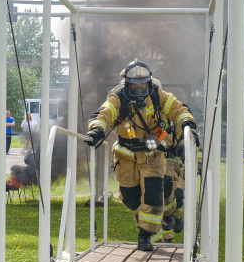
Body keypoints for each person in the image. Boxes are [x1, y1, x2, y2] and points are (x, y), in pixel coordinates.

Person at [85, 59, 198, 251]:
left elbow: (177, 108)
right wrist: (96, 130)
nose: (140, 88)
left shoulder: (157, 94)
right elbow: (104, 114)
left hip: (152, 156)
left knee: (154, 196)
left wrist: (187, 124)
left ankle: (144, 235)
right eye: (135, 85)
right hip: (126, 156)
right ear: (127, 84)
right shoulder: (118, 97)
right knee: (130, 198)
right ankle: (150, 219)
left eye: (143, 84)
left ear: (149, 81)